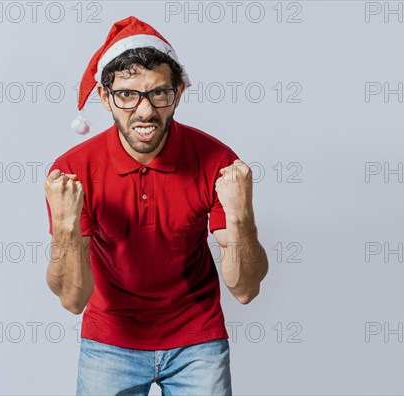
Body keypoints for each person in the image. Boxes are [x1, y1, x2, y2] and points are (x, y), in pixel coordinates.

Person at [43, 16, 268, 395]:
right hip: (110, 339)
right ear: (104, 96)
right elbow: (72, 299)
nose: (144, 112)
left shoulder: (216, 161)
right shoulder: (73, 171)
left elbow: (245, 289)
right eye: (127, 94)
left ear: (178, 93)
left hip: (197, 340)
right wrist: (65, 226)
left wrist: (242, 216)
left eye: (158, 93)